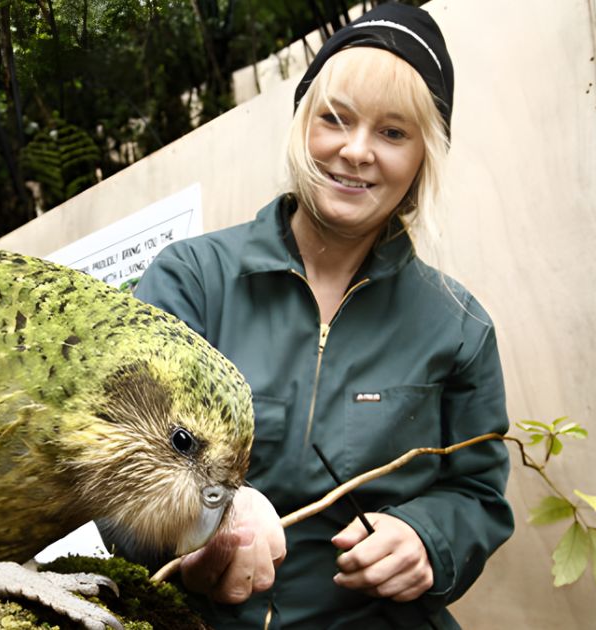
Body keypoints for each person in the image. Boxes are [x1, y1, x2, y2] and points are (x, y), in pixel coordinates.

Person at [133, 3, 514, 628]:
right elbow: (116, 457)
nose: (356, 151)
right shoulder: (191, 282)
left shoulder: (459, 327)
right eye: (335, 119)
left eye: (393, 133)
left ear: (424, 156)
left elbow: (477, 495)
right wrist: (208, 512)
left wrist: (428, 539)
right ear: (301, 123)